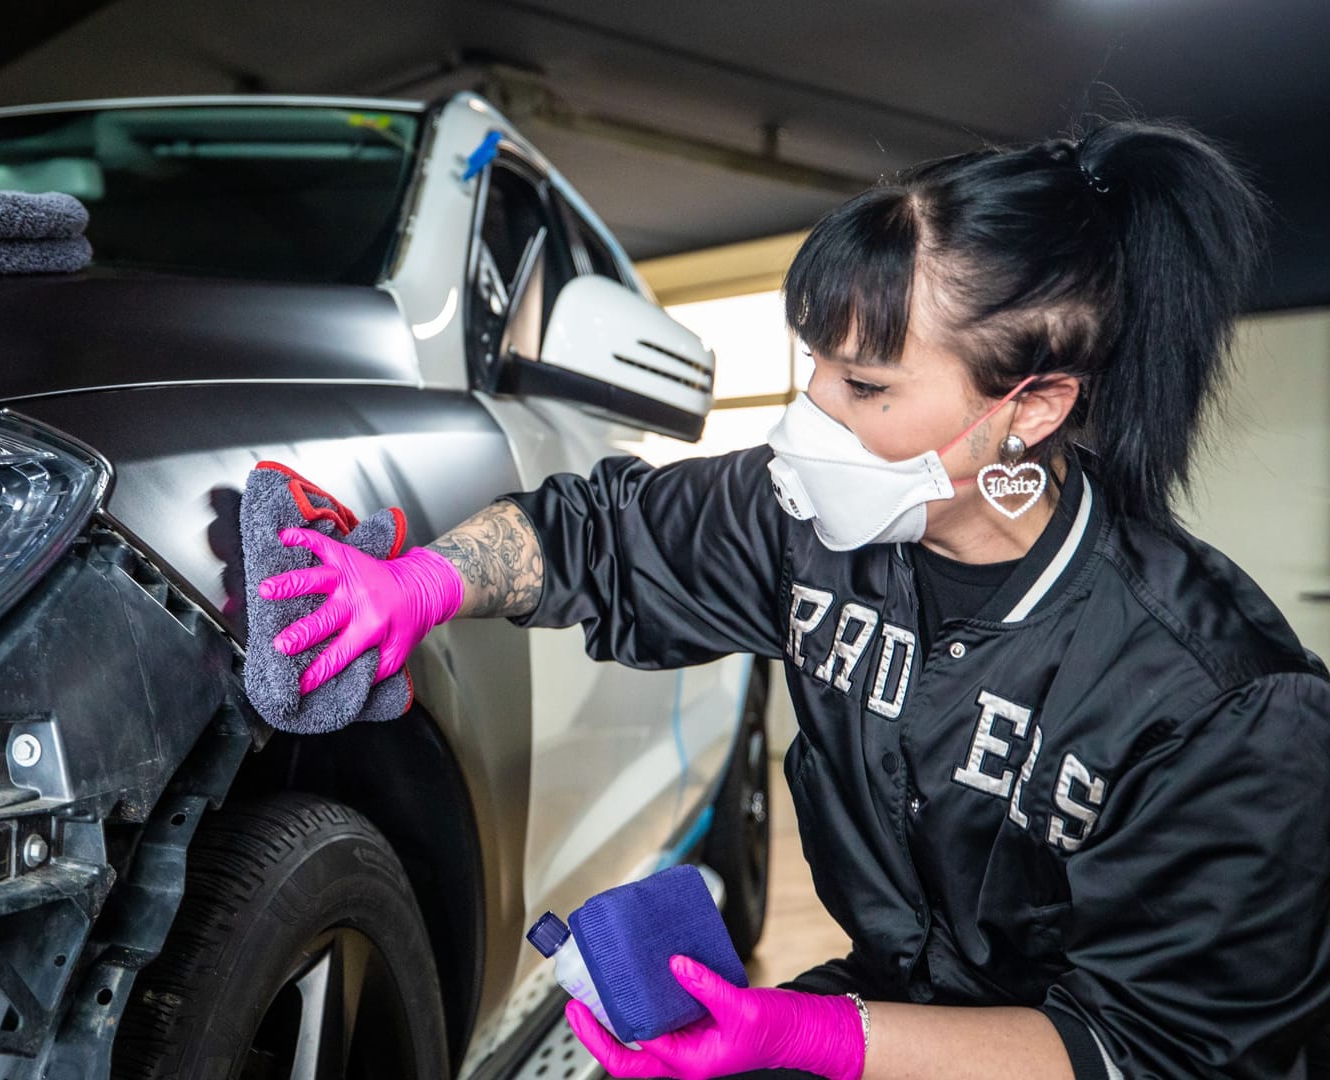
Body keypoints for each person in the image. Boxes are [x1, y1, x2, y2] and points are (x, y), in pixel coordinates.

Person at [254, 119, 1330, 1079]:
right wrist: (418, 584)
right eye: (813, 364)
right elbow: (595, 534)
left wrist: (813, 1038)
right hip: (889, 1013)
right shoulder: (811, 524)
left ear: (1033, 406)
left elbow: (1150, 1052)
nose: (807, 418)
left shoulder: (1222, 703)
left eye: (865, 387)